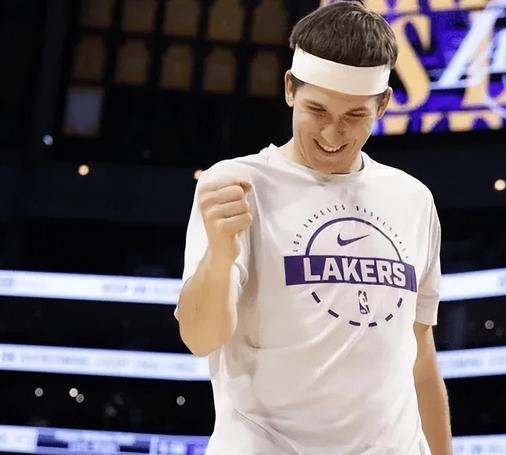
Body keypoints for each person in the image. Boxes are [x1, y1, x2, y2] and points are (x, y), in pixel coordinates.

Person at [174, 1, 452, 453]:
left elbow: (420, 357)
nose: (332, 134)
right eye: (317, 110)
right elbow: (200, 338)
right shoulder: (237, 184)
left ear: (383, 104)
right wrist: (220, 256)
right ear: (290, 88)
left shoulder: (413, 199)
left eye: (354, 116)